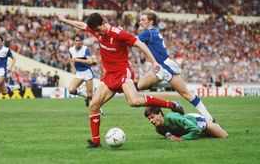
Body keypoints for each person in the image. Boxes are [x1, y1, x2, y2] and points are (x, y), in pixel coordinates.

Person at [58, 13, 184, 148]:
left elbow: (140, 44)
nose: (96, 33)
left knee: (134, 101)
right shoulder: (98, 31)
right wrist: (65, 21)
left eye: (98, 30)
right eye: (94, 31)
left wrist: (154, 63)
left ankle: (171, 104)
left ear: (103, 23)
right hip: (109, 76)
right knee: (94, 106)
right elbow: (82, 25)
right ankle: (96, 142)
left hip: (123, 72)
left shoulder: (119, 34)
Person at [137, 9, 214, 122]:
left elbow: (132, 41)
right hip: (163, 66)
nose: (140, 22)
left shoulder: (148, 32)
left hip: (164, 67)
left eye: (143, 20)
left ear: (151, 22)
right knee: (141, 85)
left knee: (185, 93)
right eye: (140, 20)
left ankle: (208, 118)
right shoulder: (153, 31)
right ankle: (208, 118)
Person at [144, 106, 228, 140]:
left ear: (159, 114)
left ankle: (213, 123)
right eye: (149, 119)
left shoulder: (172, 117)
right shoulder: (158, 129)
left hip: (196, 121)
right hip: (187, 123)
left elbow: (196, 130)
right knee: (205, 135)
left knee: (224, 136)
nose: (151, 121)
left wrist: (181, 138)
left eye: (152, 117)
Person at [68, 34, 94, 107]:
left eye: (79, 40)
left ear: (82, 41)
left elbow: (90, 61)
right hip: (79, 73)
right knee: (71, 90)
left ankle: (99, 108)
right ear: (74, 41)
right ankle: (86, 97)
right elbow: (70, 59)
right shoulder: (71, 50)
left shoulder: (86, 49)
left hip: (87, 72)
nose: (78, 42)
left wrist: (77, 60)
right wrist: (73, 67)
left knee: (90, 95)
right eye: (76, 40)